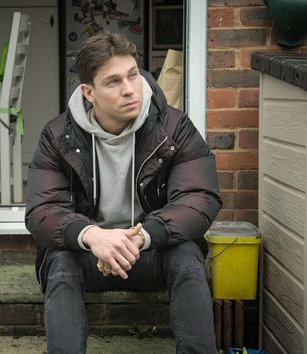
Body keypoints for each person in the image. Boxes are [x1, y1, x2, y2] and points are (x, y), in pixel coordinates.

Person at [25, 32, 222, 354]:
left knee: (187, 258)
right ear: (89, 92)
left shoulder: (174, 127)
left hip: (151, 248)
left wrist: (141, 237)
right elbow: (42, 210)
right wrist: (91, 235)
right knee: (60, 263)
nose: (130, 89)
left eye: (133, 75)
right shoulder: (58, 135)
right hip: (90, 254)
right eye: (113, 82)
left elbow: (199, 197)